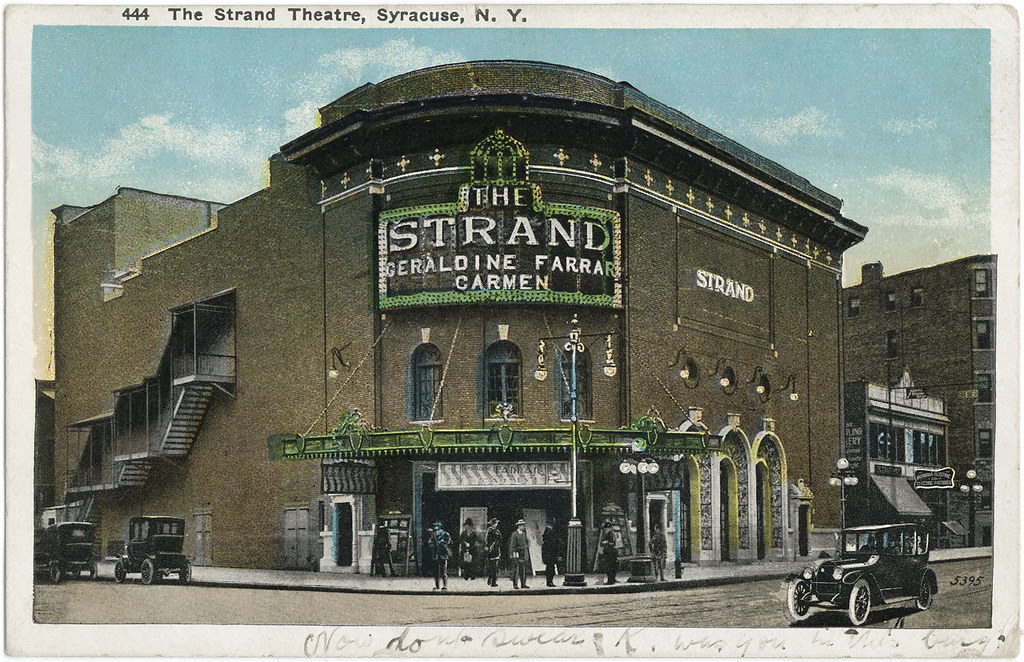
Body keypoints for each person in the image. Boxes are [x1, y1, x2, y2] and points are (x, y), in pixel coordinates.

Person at [427, 521, 452, 591]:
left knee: (444, 571)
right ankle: (437, 586)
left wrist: (442, 543)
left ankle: (445, 586)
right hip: (436, 555)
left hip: (443, 554)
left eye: (437, 526)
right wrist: (433, 545)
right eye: (435, 527)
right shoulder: (433, 535)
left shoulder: (445, 534)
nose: (435, 528)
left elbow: (449, 542)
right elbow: (430, 543)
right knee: (436, 572)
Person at [508, 518, 531, 589]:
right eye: (522, 525)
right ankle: (515, 584)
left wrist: (526, 550)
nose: (523, 527)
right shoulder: (515, 534)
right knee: (516, 570)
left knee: (523, 570)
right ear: (519, 526)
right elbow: (512, 545)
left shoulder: (524, 534)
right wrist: (514, 554)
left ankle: (523, 584)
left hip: (523, 554)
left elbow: (526, 543)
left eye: (524, 525)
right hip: (517, 553)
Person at [599, 520, 619, 585]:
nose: (605, 530)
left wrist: (606, 542)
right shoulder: (611, 533)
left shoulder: (610, 533)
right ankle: (612, 579)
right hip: (611, 551)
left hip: (610, 552)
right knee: (611, 565)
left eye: (605, 528)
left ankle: (611, 580)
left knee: (609, 566)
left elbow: (612, 542)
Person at [485, 518, 502, 587]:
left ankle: (490, 580)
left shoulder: (497, 531)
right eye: (495, 523)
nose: (496, 524)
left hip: (496, 549)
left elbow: (500, 539)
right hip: (491, 550)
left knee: (494, 567)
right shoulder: (490, 530)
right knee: (493, 567)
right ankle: (492, 581)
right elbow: (487, 540)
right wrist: (489, 547)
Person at [541, 521, 559, 587]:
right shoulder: (550, 532)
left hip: (549, 554)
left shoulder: (547, 533)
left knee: (550, 568)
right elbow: (553, 543)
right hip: (550, 554)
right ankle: (550, 582)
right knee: (551, 568)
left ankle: (549, 581)